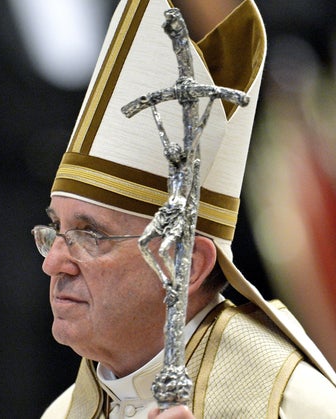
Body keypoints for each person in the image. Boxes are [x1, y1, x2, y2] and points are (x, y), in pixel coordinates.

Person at [34, 0, 336, 417]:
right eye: (55, 232)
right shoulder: (63, 411)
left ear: (186, 264)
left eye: (91, 235)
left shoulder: (294, 405)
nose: (53, 263)